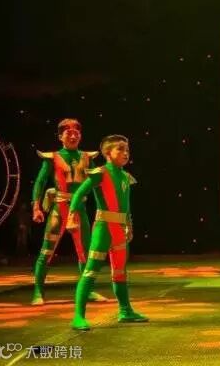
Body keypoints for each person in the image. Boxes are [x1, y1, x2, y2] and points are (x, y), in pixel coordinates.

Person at [68, 135, 148, 330]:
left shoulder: (125, 176)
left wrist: (129, 225)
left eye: (127, 150)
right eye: (120, 149)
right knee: (90, 271)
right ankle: (78, 316)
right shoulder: (100, 173)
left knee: (120, 273)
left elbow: (126, 205)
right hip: (103, 229)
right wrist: (71, 216)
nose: (125, 153)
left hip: (120, 230)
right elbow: (79, 193)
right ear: (107, 153)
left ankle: (125, 311)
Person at [31, 118, 106, 305]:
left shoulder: (87, 157)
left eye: (76, 133)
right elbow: (40, 181)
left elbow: (97, 184)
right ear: (60, 137)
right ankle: (38, 292)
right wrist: (36, 207)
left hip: (80, 208)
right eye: (68, 133)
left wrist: (103, 208)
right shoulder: (52, 158)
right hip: (59, 208)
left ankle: (87, 290)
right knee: (47, 251)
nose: (73, 136)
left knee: (85, 252)